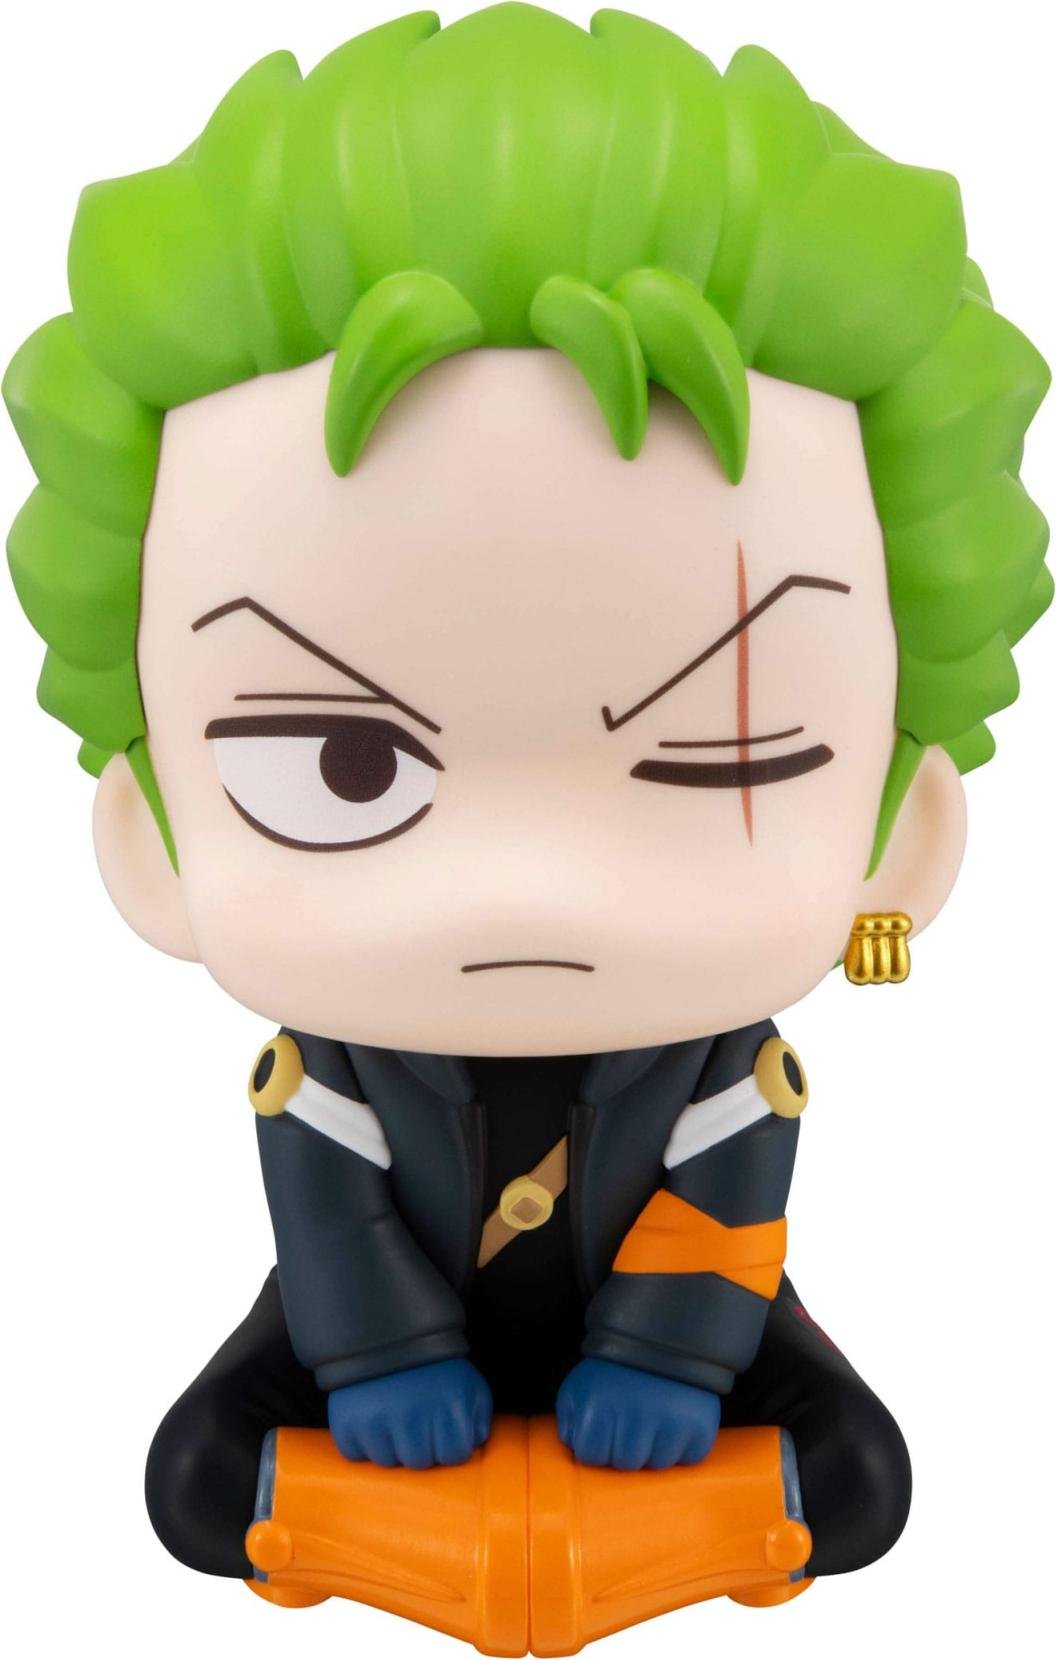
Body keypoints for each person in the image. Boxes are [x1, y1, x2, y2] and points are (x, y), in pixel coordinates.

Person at [4, 1, 1049, 1638]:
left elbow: (729, 1186)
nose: (521, 889)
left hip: (684, 1342)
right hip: (373, 1341)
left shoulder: (733, 1067)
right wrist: (375, 1358)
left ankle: (572, 1529)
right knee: (193, 1480)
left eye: (723, 760)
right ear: (149, 845)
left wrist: (669, 1362)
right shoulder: (323, 1072)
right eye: (339, 767)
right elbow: (329, 1208)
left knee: (863, 1478)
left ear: (901, 847)